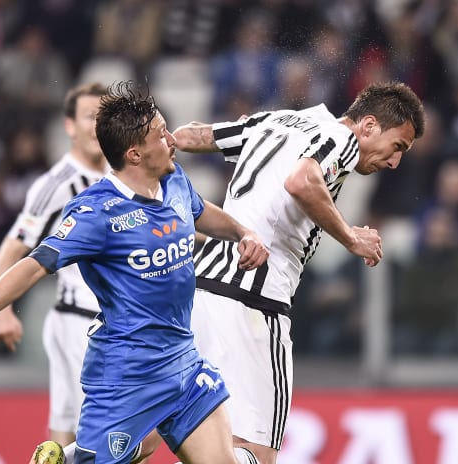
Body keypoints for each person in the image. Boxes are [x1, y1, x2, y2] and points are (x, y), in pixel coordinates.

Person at [0, 81, 269, 464]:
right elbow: (33, 265)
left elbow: (201, 211)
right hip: (125, 375)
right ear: (135, 154)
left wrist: (243, 232)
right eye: (161, 134)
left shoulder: (173, 180)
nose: (171, 140)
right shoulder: (95, 213)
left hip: (184, 363)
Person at [167, 81, 425, 464]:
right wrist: (351, 237)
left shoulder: (280, 119)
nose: (394, 162)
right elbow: (302, 180)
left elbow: (190, 136)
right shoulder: (341, 138)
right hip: (253, 302)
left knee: (208, 446)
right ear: (368, 125)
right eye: (398, 146)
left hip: (200, 294)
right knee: (256, 452)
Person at [0, 82, 107, 448]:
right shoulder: (57, 183)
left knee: (66, 436)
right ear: (69, 126)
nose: (97, 125)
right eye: (89, 116)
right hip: (78, 322)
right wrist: (1, 312)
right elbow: (9, 250)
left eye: (104, 117)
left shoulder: (118, 178)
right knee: (110, 437)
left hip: (106, 326)